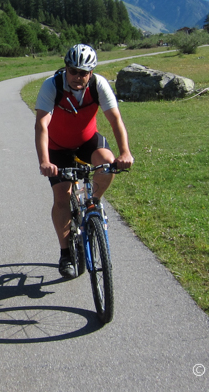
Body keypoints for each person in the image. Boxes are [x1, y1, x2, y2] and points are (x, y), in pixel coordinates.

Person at [34, 44, 134, 279]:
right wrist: (45, 161)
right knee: (62, 197)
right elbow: (41, 125)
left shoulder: (99, 85)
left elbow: (115, 120)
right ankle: (66, 254)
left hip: (87, 141)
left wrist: (125, 152)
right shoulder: (52, 85)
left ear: (91, 73)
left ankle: (93, 202)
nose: (77, 77)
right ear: (66, 68)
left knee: (107, 162)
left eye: (83, 72)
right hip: (57, 148)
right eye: (73, 71)